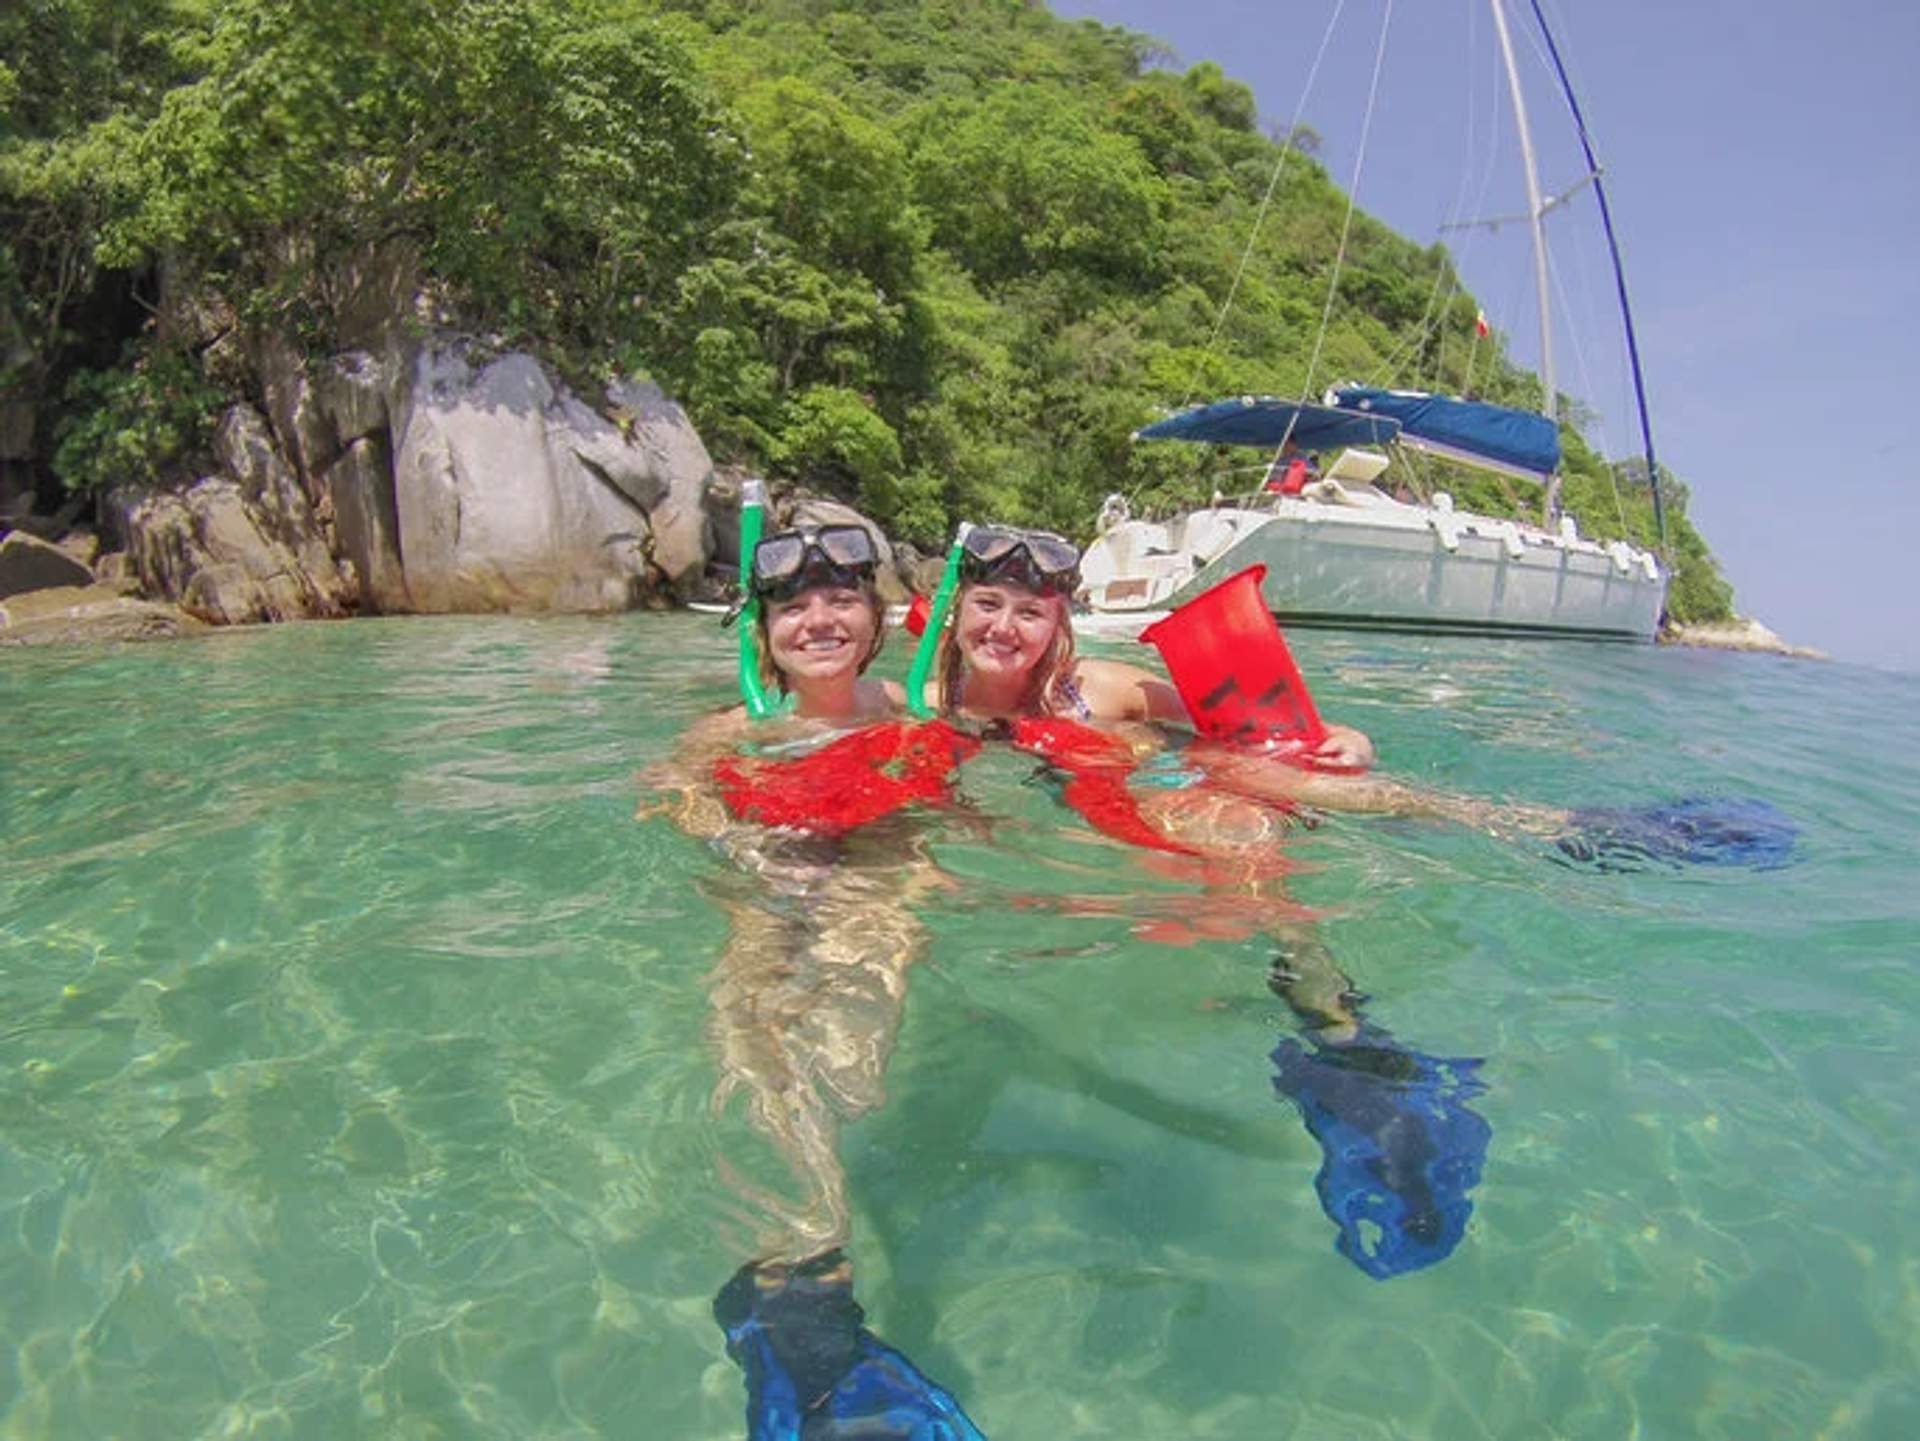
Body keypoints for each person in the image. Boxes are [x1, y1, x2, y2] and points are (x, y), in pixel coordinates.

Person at [640, 522, 988, 1438]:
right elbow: (668, 796)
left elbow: (967, 793)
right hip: (767, 874)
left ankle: (810, 1271)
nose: (820, 619)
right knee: (749, 1023)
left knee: (851, 1040)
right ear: (765, 632)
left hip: (879, 870)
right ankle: (798, 1284)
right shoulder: (729, 729)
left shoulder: (916, 711)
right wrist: (739, 835)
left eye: (841, 600)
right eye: (794, 606)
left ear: (876, 621)